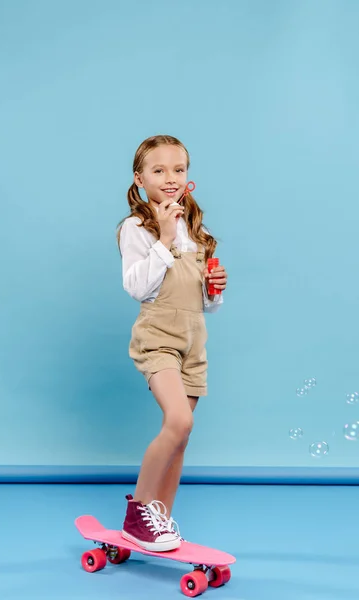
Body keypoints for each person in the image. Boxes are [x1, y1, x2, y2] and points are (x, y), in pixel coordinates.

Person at [116, 134, 228, 552]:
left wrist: (215, 289)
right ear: (139, 178)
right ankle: (137, 516)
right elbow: (138, 287)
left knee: (181, 436)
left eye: (178, 170)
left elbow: (207, 306)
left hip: (193, 340)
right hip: (159, 337)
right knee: (179, 420)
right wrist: (162, 238)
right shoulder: (136, 228)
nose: (170, 178)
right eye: (158, 170)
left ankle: (158, 520)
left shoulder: (197, 231)